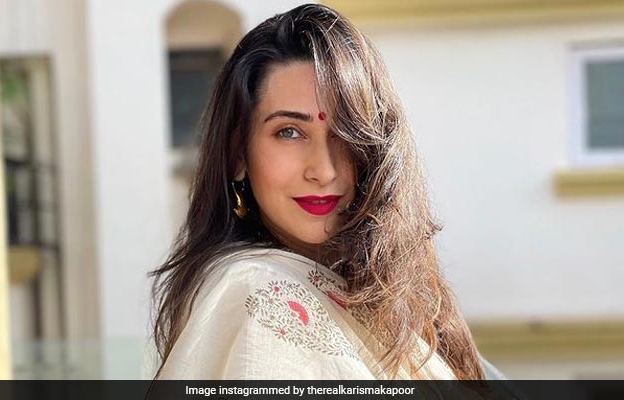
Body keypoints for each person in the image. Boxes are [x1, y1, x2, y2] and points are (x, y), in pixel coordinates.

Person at [149, 3, 497, 382]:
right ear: (238, 155)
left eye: (345, 134)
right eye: (289, 132)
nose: (324, 170)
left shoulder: (402, 301)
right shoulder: (255, 293)